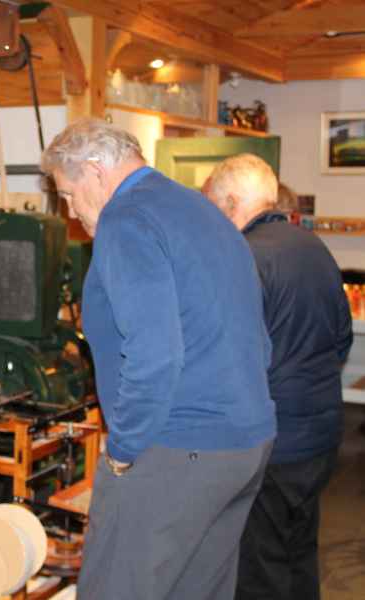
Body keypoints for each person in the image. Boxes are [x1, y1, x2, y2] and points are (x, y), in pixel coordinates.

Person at [39, 119, 275, 600]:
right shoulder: (199, 208)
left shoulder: (126, 219)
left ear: (94, 170)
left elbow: (154, 354)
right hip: (244, 444)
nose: (70, 210)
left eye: (67, 194)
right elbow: (257, 337)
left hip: (177, 447)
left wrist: (123, 450)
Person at [203, 155, 352, 600]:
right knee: (299, 551)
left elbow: (229, 359)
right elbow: (341, 339)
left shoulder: (242, 258)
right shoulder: (313, 247)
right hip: (320, 436)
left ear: (231, 203)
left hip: (270, 443)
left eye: (213, 207)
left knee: (258, 568)